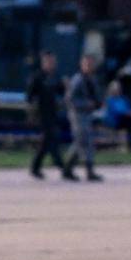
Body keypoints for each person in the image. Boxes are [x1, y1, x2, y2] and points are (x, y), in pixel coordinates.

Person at [62, 54, 103, 182]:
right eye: (87, 64)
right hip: (77, 114)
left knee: (83, 142)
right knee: (82, 141)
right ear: (82, 65)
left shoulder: (92, 79)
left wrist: (98, 103)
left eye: (91, 64)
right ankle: (84, 170)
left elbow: (96, 95)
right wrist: (86, 104)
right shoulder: (77, 80)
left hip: (88, 115)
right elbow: (69, 99)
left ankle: (70, 169)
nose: (89, 67)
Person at [26, 50, 65, 179]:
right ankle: (61, 165)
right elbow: (29, 96)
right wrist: (33, 111)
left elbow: (62, 91)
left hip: (52, 112)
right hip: (41, 113)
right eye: (48, 61)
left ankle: (36, 167)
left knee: (48, 140)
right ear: (43, 62)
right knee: (49, 138)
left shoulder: (56, 76)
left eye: (53, 61)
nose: (51, 64)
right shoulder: (37, 77)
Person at [103, 78, 131, 152]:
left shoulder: (124, 98)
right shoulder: (110, 99)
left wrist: (130, 112)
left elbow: (129, 108)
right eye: (116, 88)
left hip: (125, 120)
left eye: (119, 88)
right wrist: (127, 113)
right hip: (114, 120)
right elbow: (116, 111)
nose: (118, 90)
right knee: (130, 121)